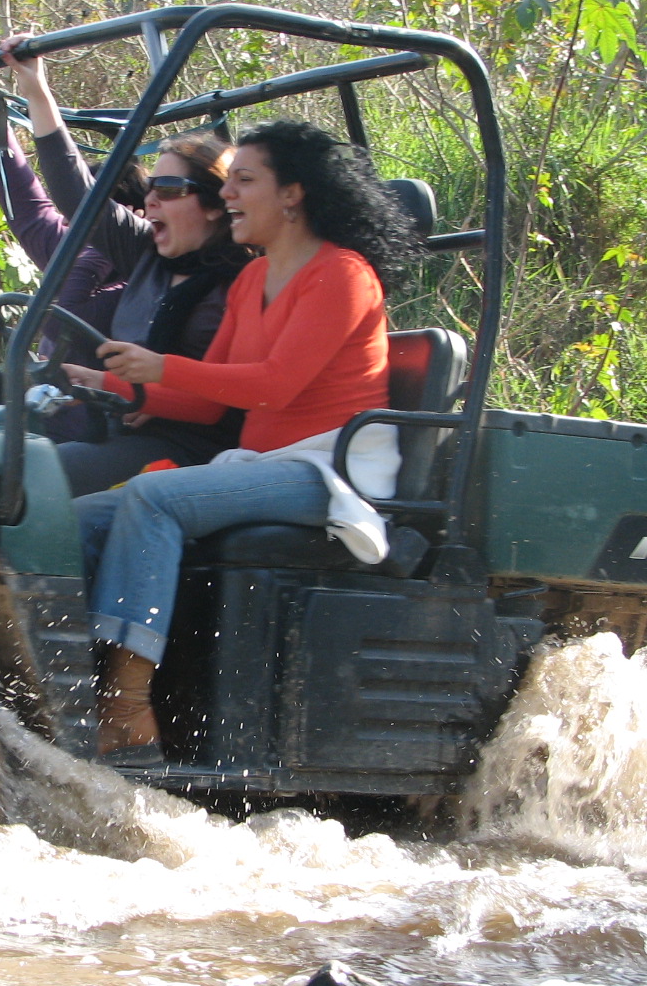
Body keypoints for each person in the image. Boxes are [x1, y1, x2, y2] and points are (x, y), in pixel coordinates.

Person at [64, 119, 420, 766]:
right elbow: (213, 399)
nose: (228, 193)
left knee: (153, 498)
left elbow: (277, 386)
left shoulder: (343, 275)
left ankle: (127, 715)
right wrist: (121, 387)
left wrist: (161, 366)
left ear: (292, 195)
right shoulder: (252, 280)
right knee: (79, 517)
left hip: (331, 468)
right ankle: (54, 687)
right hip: (262, 462)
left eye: (244, 180)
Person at [0, 34, 252, 495]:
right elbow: (78, 196)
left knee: (37, 480)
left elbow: (224, 397)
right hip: (118, 424)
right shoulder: (149, 254)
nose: (151, 199)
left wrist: (119, 386)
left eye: (170, 189)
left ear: (215, 205)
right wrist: (36, 89)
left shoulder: (244, 279)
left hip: (192, 447)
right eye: (151, 186)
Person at [0, 86, 145, 444]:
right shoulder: (69, 247)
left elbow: (59, 313)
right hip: (43, 405)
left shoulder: (139, 280)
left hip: (88, 421)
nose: (69, 230)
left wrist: (101, 249)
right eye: (71, 220)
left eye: (85, 223)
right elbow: (27, 203)